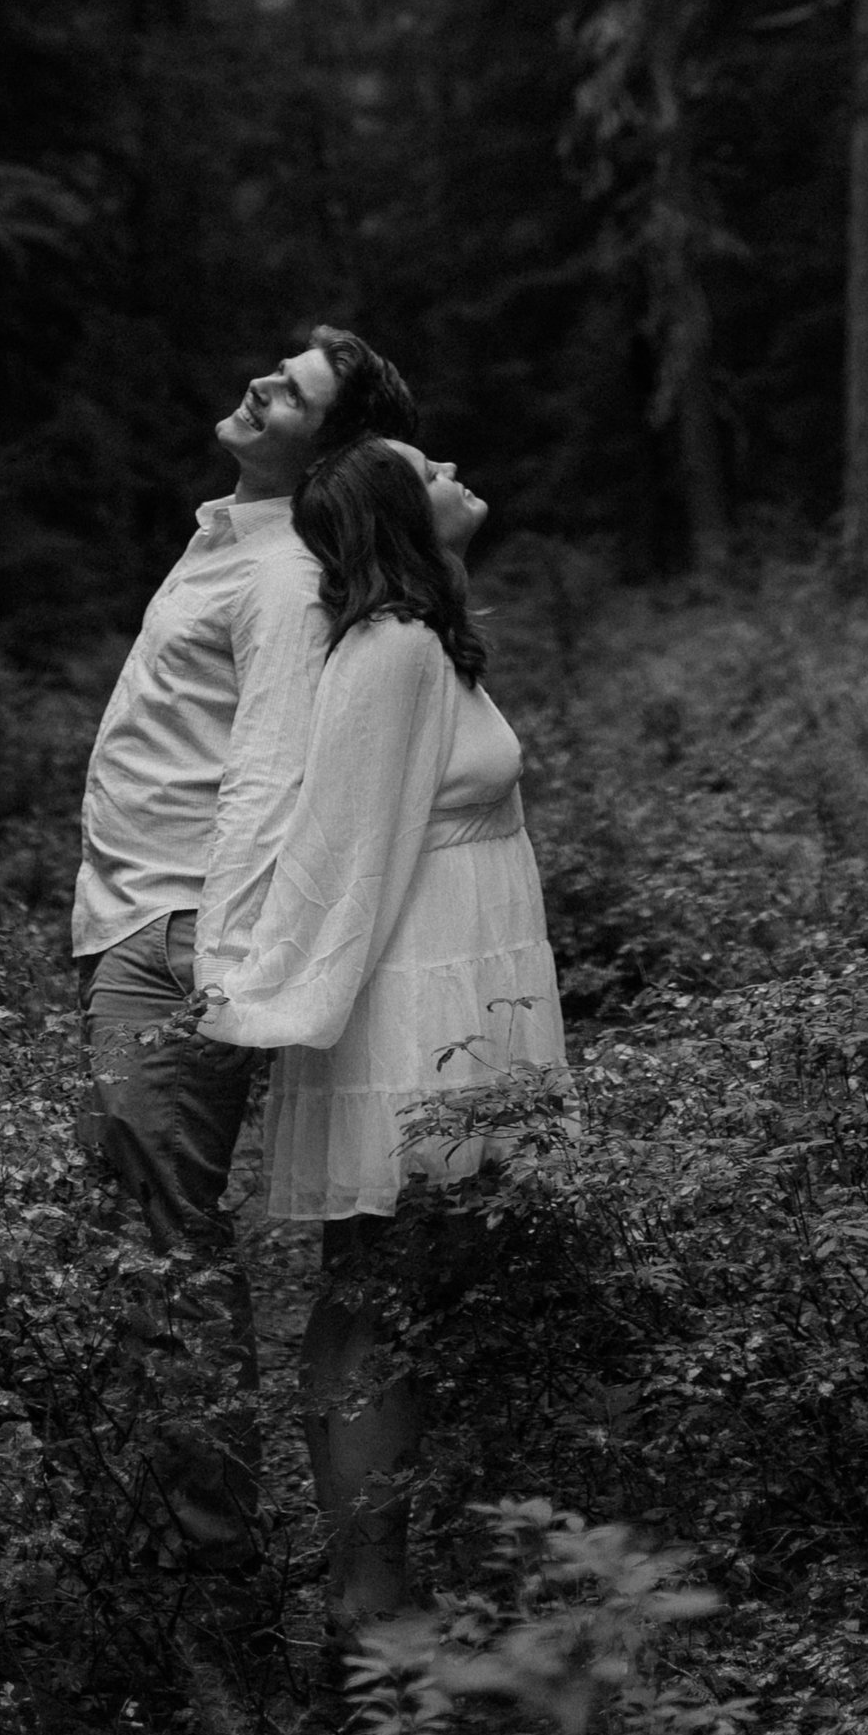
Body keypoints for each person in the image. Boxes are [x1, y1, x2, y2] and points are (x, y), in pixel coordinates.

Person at [193, 434, 569, 1659]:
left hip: (470, 991)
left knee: (420, 1286)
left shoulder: (427, 635)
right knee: (374, 1285)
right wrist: (263, 995)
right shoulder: (393, 650)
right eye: (431, 462)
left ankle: (407, 1585)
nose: (460, 465)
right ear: (399, 511)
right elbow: (334, 842)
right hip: (413, 1008)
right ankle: (370, 1603)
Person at [72, 323, 416, 1570]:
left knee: (156, 1254)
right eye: (273, 366)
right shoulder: (230, 532)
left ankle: (209, 1591)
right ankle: (203, 1562)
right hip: (140, 916)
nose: (261, 379)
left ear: (323, 444)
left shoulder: (283, 575)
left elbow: (268, 773)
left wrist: (210, 953)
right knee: (149, 1245)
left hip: (172, 933)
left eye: (293, 392)